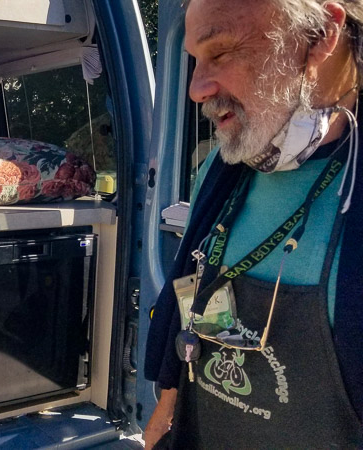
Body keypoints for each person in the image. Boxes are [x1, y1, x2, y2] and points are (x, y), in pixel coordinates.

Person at [144, 0, 363, 448]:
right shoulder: (220, 172)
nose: (196, 89)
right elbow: (189, 286)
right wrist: (165, 410)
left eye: (220, 53)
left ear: (321, 34)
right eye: (195, 60)